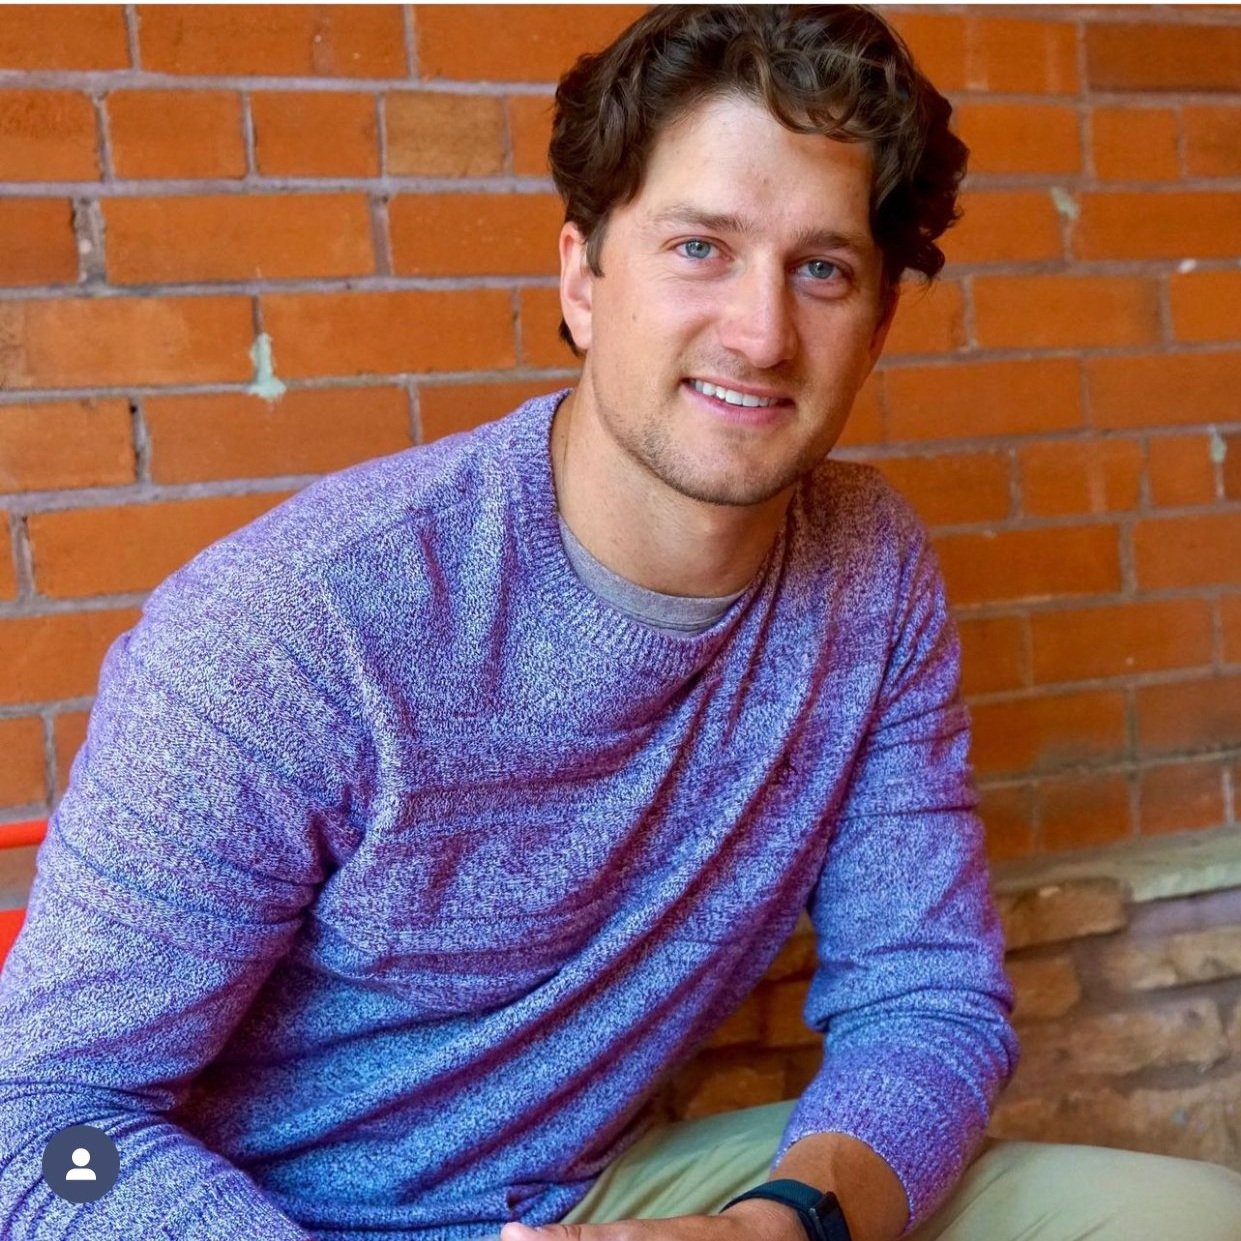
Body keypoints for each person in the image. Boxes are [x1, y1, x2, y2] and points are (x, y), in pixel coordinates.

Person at [1, 6, 1239, 1241]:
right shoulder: (293, 628)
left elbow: (925, 1001)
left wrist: (780, 1225)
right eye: (699, 246)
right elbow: (43, 1123)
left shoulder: (869, 569)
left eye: (820, 268)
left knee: (1181, 1214)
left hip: (595, 1199)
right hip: (267, 1218)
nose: (760, 332)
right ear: (581, 279)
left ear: (877, 321)